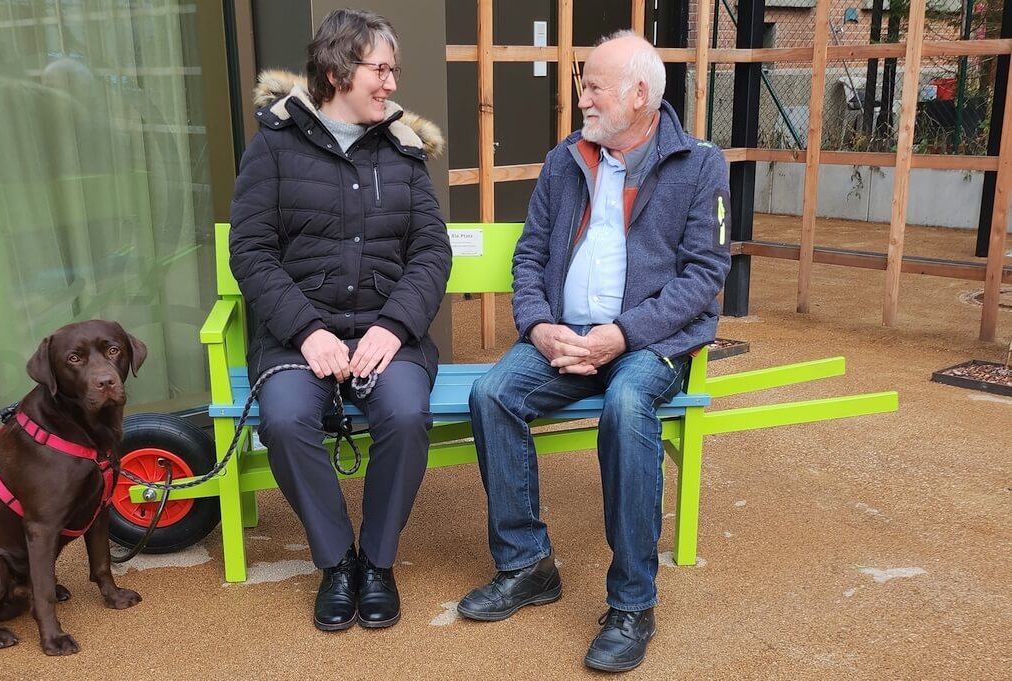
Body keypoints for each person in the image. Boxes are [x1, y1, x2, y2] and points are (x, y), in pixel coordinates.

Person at [456, 31, 731, 673]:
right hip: (564, 335)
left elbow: (704, 275)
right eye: (584, 85)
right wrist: (538, 326)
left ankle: (633, 604)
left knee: (628, 405)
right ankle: (527, 566)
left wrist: (623, 335)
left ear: (638, 94)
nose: (582, 98)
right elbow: (529, 254)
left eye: (594, 86)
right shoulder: (566, 159)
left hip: (647, 343)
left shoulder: (699, 165)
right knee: (491, 394)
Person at [229, 8, 451, 632]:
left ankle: (377, 562)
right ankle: (336, 562)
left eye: (393, 70)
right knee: (284, 419)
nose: (391, 83)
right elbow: (250, 251)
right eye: (381, 69)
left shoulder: (404, 151)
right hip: (296, 336)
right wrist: (307, 331)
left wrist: (394, 326)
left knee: (405, 415)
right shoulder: (273, 147)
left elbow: (431, 252)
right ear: (336, 71)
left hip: (387, 334)